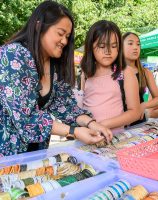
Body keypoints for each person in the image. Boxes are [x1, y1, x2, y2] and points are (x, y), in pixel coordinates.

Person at [0, 1, 112, 157]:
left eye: (67, 36)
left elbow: (66, 106)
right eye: (60, 33)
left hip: (36, 153)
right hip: (6, 153)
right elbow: (25, 116)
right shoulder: (13, 55)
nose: (65, 41)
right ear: (39, 26)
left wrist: (92, 124)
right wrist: (73, 131)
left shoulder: (55, 66)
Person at [80, 20, 141, 133]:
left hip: (115, 138)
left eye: (113, 46)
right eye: (102, 46)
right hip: (88, 137)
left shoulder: (125, 72)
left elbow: (135, 112)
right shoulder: (85, 73)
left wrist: (101, 125)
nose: (108, 51)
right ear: (90, 46)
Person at [123, 32, 158, 125]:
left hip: (139, 120)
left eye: (138, 44)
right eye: (130, 43)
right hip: (117, 122)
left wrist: (143, 105)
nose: (135, 47)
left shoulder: (145, 72)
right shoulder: (114, 72)